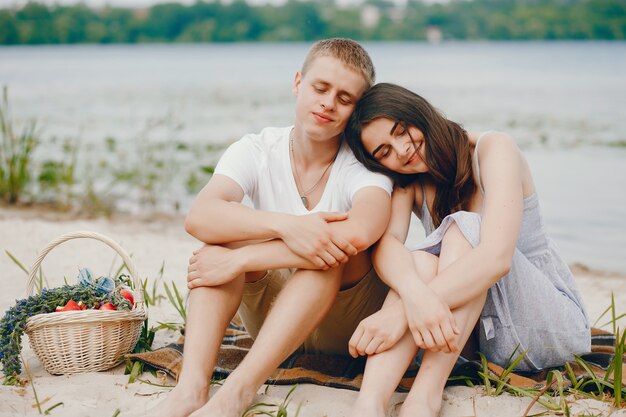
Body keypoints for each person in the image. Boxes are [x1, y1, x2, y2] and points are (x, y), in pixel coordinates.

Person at [151, 39, 393, 417]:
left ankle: (237, 392)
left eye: (344, 98)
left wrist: (246, 257)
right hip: (274, 322)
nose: (329, 102)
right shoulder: (257, 148)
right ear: (298, 82)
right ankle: (191, 390)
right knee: (220, 247)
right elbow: (200, 216)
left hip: (347, 329)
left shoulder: (363, 166)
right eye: (320, 88)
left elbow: (360, 231)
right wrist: (286, 226)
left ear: (357, 110)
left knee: (326, 256)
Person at [342, 83, 590, 417]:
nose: (401, 150)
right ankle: (369, 404)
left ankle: (423, 399)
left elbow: (495, 260)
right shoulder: (410, 181)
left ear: (420, 111)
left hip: (548, 327)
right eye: (384, 152)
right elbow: (387, 246)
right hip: (476, 339)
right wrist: (414, 293)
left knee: (465, 228)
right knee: (416, 263)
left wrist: (398, 313)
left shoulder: (493, 149)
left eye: (402, 131)